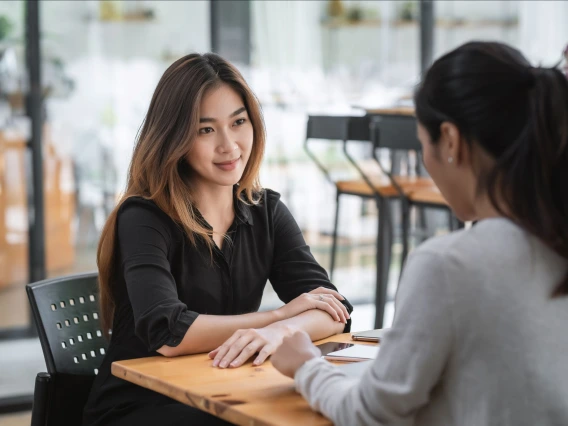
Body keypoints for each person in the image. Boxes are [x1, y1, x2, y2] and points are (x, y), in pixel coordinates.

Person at [272, 41, 568, 426]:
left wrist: (306, 366)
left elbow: (369, 414)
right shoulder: (554, 241)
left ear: (450, 140)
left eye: (422, 143)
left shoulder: (448, 265)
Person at [82, 53, 353, 426]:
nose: (229, 145)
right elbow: (169, 333)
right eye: (205, 129)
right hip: (141, 405)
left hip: (223, 390)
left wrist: (282, 331)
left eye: (238, 122)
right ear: (174, 138)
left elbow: (334, 310)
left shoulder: (266, 211)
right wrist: (279, 315)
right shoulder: (144, 217)